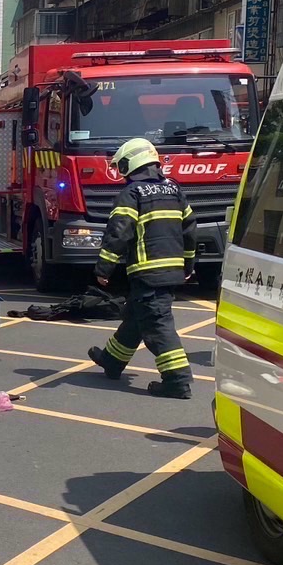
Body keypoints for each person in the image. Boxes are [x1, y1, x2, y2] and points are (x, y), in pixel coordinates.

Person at [87, 138, 195, 399]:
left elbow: (118, 233)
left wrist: (104, 268)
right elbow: (189, 228)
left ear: (130, 163)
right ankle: (113, 360)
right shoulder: (174, 190)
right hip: (170, 270)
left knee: (157, 325)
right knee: (137, 315)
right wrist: (188, 264)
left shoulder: (132, 193)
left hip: (147, 271)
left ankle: (177, 380)